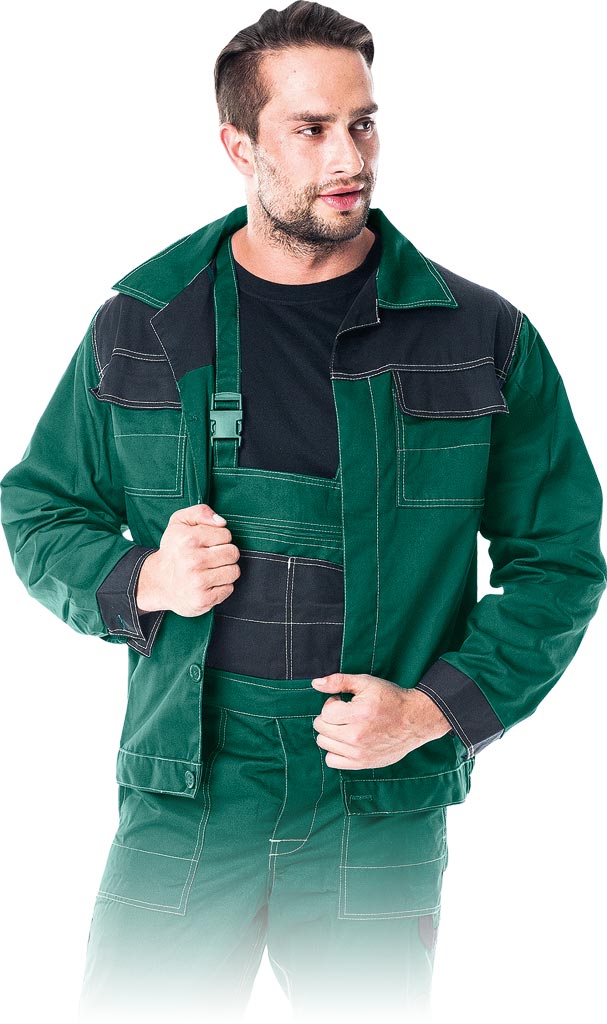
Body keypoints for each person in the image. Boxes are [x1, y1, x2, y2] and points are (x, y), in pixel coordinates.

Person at [1, 2, 605, 1021]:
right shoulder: (143, 325)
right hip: (186, 787)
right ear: (238, 146)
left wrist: (431, 712)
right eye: (311, 128)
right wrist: (141, 577)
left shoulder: (478, 337)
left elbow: (558, 561)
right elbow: (38, 508)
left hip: (376, 796)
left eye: (362, 124)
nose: (348, 158)